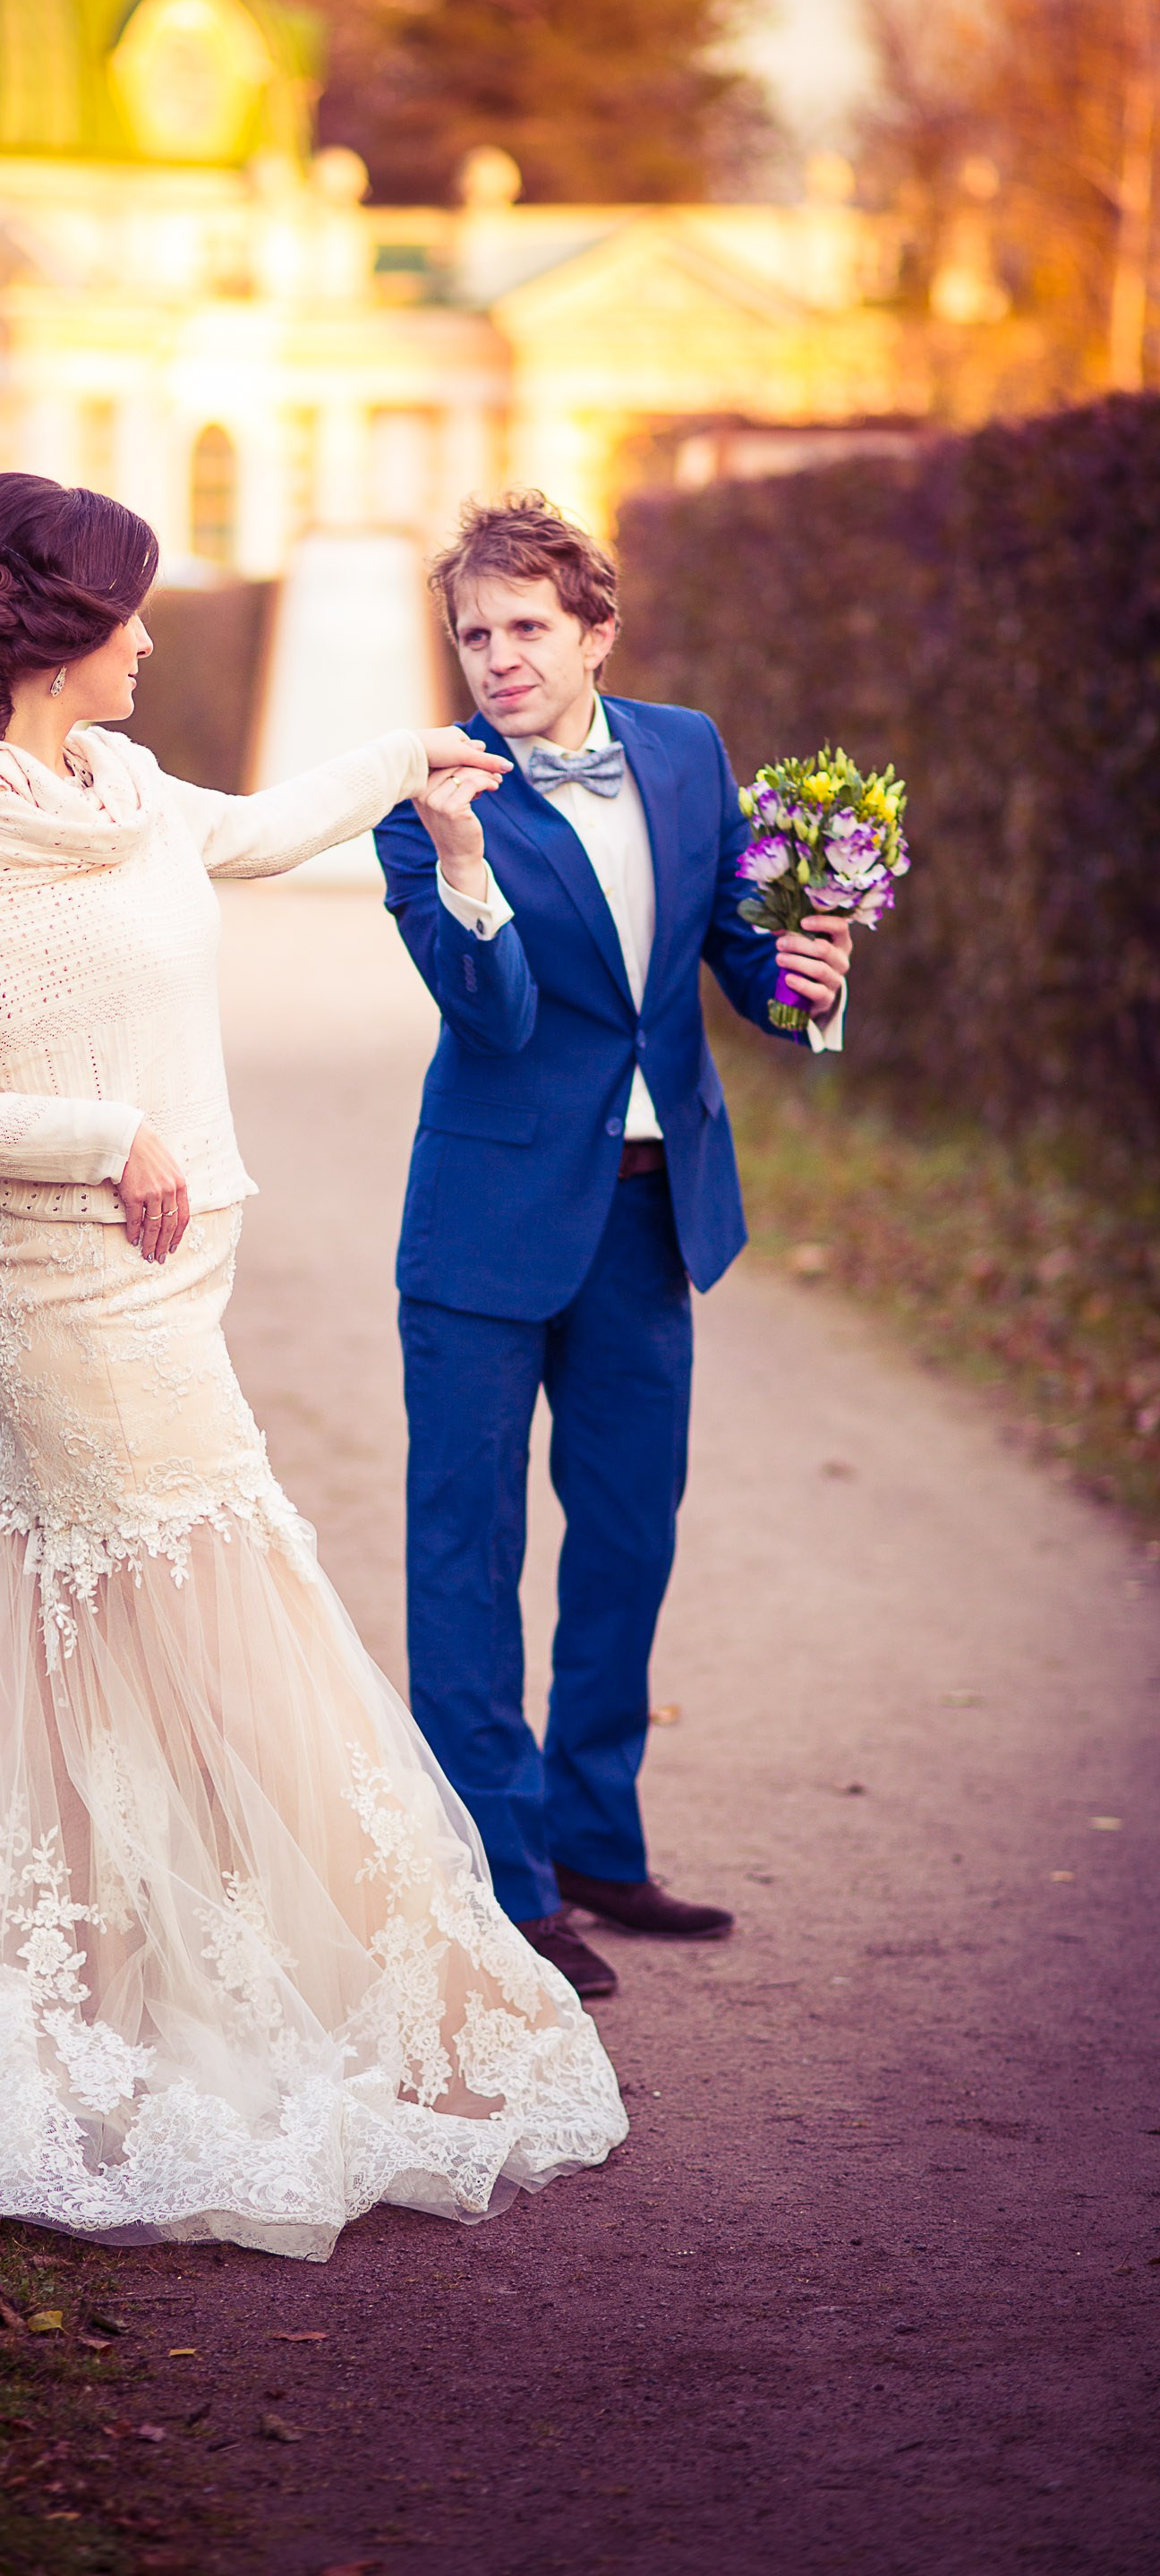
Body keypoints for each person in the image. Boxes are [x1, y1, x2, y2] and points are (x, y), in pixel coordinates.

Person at [0, 474, 627, 2259]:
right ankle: (222, 1997)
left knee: (74, 1618)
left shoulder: (129, 794)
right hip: (68, 1294)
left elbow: (258, 831)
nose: (154, 639)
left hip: (182, 1276)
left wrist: (415, 755)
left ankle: (88, 1950)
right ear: (61, 633)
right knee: (212, 1602)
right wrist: (106, 1133)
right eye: (131, 615)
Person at [375, 492, 852, 2001]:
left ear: (594, 629)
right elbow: (495, 1015)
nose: (499, 659)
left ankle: (594, 1842)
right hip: (488, 1223)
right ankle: (504, 1884)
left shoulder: (688, 752)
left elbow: (724, 958)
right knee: (470, 1554)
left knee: (629, 1537)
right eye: (474, 634)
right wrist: (459, 859)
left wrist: (809, 977)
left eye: (527, 629)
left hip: (653, 1210)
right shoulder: (426, 800)